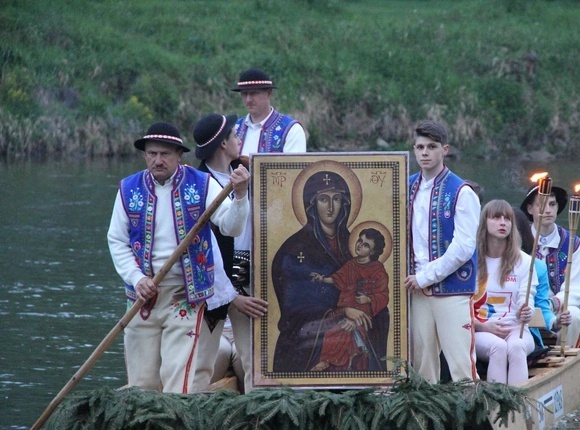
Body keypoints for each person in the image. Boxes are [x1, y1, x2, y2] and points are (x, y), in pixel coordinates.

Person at [107, 122, 250, 393]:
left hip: (186, 295)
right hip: (142, 296)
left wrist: (240, 195)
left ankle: (175, 427)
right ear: (144, 155)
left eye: (165, 154)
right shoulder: (128, 189)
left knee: (177, 378)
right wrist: (137, 279)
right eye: (152, 154)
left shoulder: (201, 184)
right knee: (142, 382)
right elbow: (117, 240)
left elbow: (231, 227)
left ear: (179, 155)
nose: (157, 160)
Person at [271, 168, 390, 372]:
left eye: (336, 199)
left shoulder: (354, 244)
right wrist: (342, 312)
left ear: (344, 204)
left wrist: (363, 309)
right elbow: (293, 306)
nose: (330, 207)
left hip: (355, 323)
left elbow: (375, 290)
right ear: (312, 204)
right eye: (324, 199)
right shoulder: (294, 248)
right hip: (312, 332)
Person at [190, 113, 269, 393]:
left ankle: (255, 421)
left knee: (254, 362)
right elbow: (205, 247)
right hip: (213, 286)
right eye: (236, 135)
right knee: (200, 362)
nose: (240, 140)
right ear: (223, 144)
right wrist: (233, 296)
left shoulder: (247, 173)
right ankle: (190, 418)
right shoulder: (196, 186)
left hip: (249, 279)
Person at [405, 120, 480, 383]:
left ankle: (474, 415)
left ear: (444, 150)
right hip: (415, 288)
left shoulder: (462, 192)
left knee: (460, 362)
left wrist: (426, 276)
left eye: (431, 147)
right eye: (419, 147)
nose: (424, 153)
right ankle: (426, 418)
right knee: (422, 363)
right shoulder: (405, 187)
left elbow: (463, 248)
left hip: (452, 289)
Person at [473, 200, 536, 385]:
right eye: (496, 218)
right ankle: (498, 405)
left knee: (516, 347)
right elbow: (461, 306)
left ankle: (520, 405)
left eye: (507, 219)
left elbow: (528, 300)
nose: (503, 223)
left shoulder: (524, 262)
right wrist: (483, 326)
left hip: (516, 328)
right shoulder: (471, 261)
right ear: (484, 222)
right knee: (498, 347)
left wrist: (525, 311)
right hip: (480, 329)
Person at [520, 184, 580, 348]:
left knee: (571, 316)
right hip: (527, 305)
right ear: (530, 209)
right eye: (541, 205)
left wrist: (554, 304)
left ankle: (564, 358)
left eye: (552, 204)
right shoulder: (520, 241)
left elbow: (575, 287)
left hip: (560, 306)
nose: (548, 210)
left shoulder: (572, 243)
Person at [310, 227, 389, 372]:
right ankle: (328, 360)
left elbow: (383, 294)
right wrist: (322, 279)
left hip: (363, 312)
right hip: (344, 309)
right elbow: (337, 278)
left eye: (366, 245)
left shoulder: (378, 269)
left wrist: (369, 298)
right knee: (332, 331)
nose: (360, 245)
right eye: (360, 240)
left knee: (346, 331)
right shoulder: (351, 264)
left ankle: (334, 360)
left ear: (372, 252)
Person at [513, 207, 571, 348]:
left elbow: (541, 307)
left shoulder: (536, 267)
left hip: (523, 334)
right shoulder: (480, 263)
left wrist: (555, 322)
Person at [231, 68, 306, 155]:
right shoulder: (234, 129)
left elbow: (295, 167)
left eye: (254, 93)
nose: (248, 100)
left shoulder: (291, 130)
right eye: (244, 94)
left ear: (269, 93)